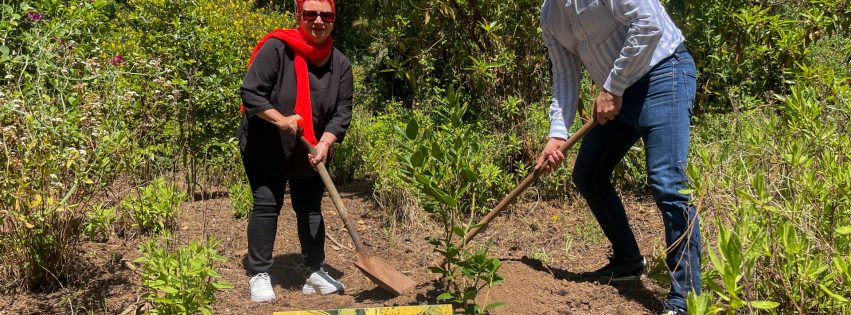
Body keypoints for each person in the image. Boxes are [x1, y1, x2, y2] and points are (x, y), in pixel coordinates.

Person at [534, 1, 700, 314]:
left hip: (662, 74)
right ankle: (628, 261)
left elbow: (648, 23)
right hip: (616, 92)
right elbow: (565, 73)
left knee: (667, 181)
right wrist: (557, 134)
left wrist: (612, 89)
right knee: (588, 174)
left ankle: (686, 298)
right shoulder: (550, 15)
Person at [237, 0, 352, 303]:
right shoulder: (278, 48)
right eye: (310, 14)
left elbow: (342, 112)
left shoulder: (339, 63)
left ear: (333, 19)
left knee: (310, 207)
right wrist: (282, 119)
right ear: (299, 16)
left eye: (325, 14)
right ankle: (260, 274)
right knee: (266, 204)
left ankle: (314, 273)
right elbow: (251, 92)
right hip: (266, 143)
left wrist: (325, 143)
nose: (318, 20)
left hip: (311, 147)